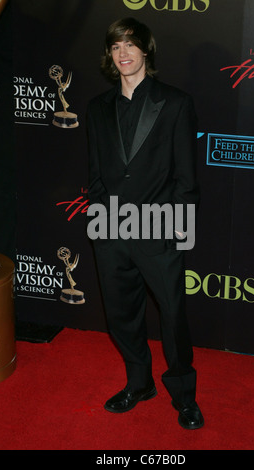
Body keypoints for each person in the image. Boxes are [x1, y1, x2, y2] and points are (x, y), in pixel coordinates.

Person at [86, 17, 203, 430]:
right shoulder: (97, 109)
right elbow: (96, 175)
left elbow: (187, 179)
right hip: (110, 232)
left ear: (146, 51)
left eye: (131, 45)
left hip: (160, 231)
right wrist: (100, 226)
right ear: (109, 54)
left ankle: (184, 397)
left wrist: (177, 235)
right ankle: (139, 384)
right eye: (116, 46)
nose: (124, 53)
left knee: (172, 317)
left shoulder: (175, 103)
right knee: (121, 316)